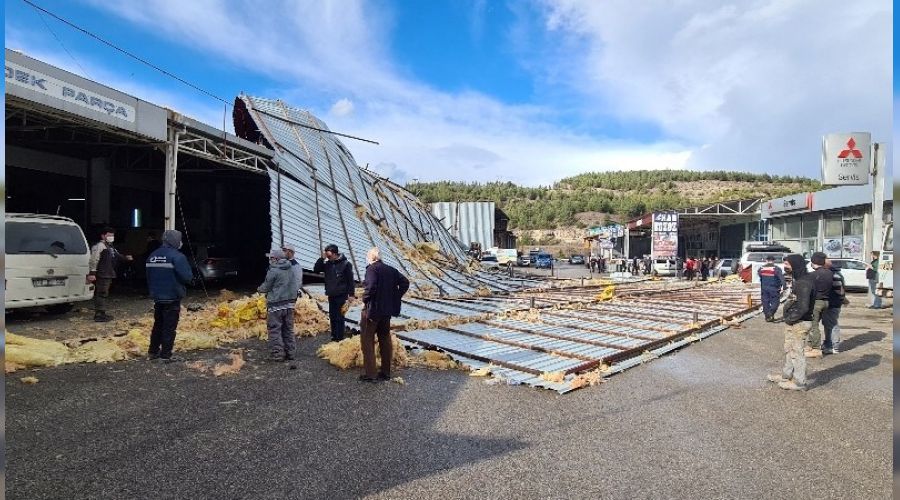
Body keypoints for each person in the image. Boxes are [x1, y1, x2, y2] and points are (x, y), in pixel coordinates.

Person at [359, 248, 410, 382]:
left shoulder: (372, 269)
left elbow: (371, 287)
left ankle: (371, 374)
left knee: (367, 341)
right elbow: (405, 282)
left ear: (371, 258)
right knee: (384, 339)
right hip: (386, 311)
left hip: (373, 310)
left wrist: (364, 299)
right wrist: (396, 296)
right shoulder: (391, 270)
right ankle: (386, 372)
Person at [767, 254, 816, 391]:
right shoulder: (799, 279)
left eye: (787, 264)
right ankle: (786, 375)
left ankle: (800, 383)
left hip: (800, 323)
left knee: (797, 352)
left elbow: (804, 307)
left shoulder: (804, 282)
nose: (785, 267)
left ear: (795, 265)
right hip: (793, 322)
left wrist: (790, 318)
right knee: (789, 349)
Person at [146, 230, 192, 361]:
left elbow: (149, 276)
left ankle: (153, 351)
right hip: (172, 296)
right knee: (169, 326)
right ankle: (166, 355)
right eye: (179, 239)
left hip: (157, 296)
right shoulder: (177, 257)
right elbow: (187, 276)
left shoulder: (152, 255)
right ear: (175, 240)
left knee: (158, 324)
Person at [258, 249, 300, 361]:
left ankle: (278, 354)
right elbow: (295, 284)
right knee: (288, 329)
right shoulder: (290, 268)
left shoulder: (273, 270)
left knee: (275, 329)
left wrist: (259, 289)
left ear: (276, 259)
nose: (269, 260)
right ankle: (290, 352)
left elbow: (266, 286)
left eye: (271, 258)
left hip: (276, 305)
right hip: (289, 304)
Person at [88, 227, 133, 322]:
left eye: (112, 235)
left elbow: (117, 255)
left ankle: (102, 312)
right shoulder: (100, 246)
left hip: (108, 273)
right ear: (103, 236)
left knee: (105, 293)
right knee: (101, 293)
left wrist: (126, 258)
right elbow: (93, 260)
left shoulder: (110, 246)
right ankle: (99, 314)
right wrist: (92, 273)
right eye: (109, 235)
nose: (111, 237)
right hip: (102, 273)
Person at [313, 244, 355, 342]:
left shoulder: (345, 264)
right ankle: (334, 336)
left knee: (339, 316)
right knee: (332, 316)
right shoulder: (328, 264)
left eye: (329, 255)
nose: (328, 257)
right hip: (331, 294)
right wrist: (321, 258)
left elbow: (350, 280)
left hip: (341, 294)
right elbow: (316, 270)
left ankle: (339, 338)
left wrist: (351, 294)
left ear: (335, 254)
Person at [805, 252, 833, 358]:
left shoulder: (813, 275)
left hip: (816, 302)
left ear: (813, 262)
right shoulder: (829, 273)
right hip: (826, 301)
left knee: (813, 325)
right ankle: (810, 345)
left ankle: (816, 348)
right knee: (816, 324)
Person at [822, 259, 848, 355]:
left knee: (832, 324)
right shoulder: (838, 275)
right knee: (828, 324)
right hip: (834, 303)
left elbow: (839, 292)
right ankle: (828, 344)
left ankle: (834, 346)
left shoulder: (833, 276)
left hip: (832, 303)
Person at [758, 255, 785, 322]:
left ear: (766, 260)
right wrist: (784, 286)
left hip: (764, 288)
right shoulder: (776, 269)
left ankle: (767, 317)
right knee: (775, 302)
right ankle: (770, 313)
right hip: (774, 288)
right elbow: (782, 279)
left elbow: (760, 276)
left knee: (765, 302)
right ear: (773, 261)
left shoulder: (761, 269)